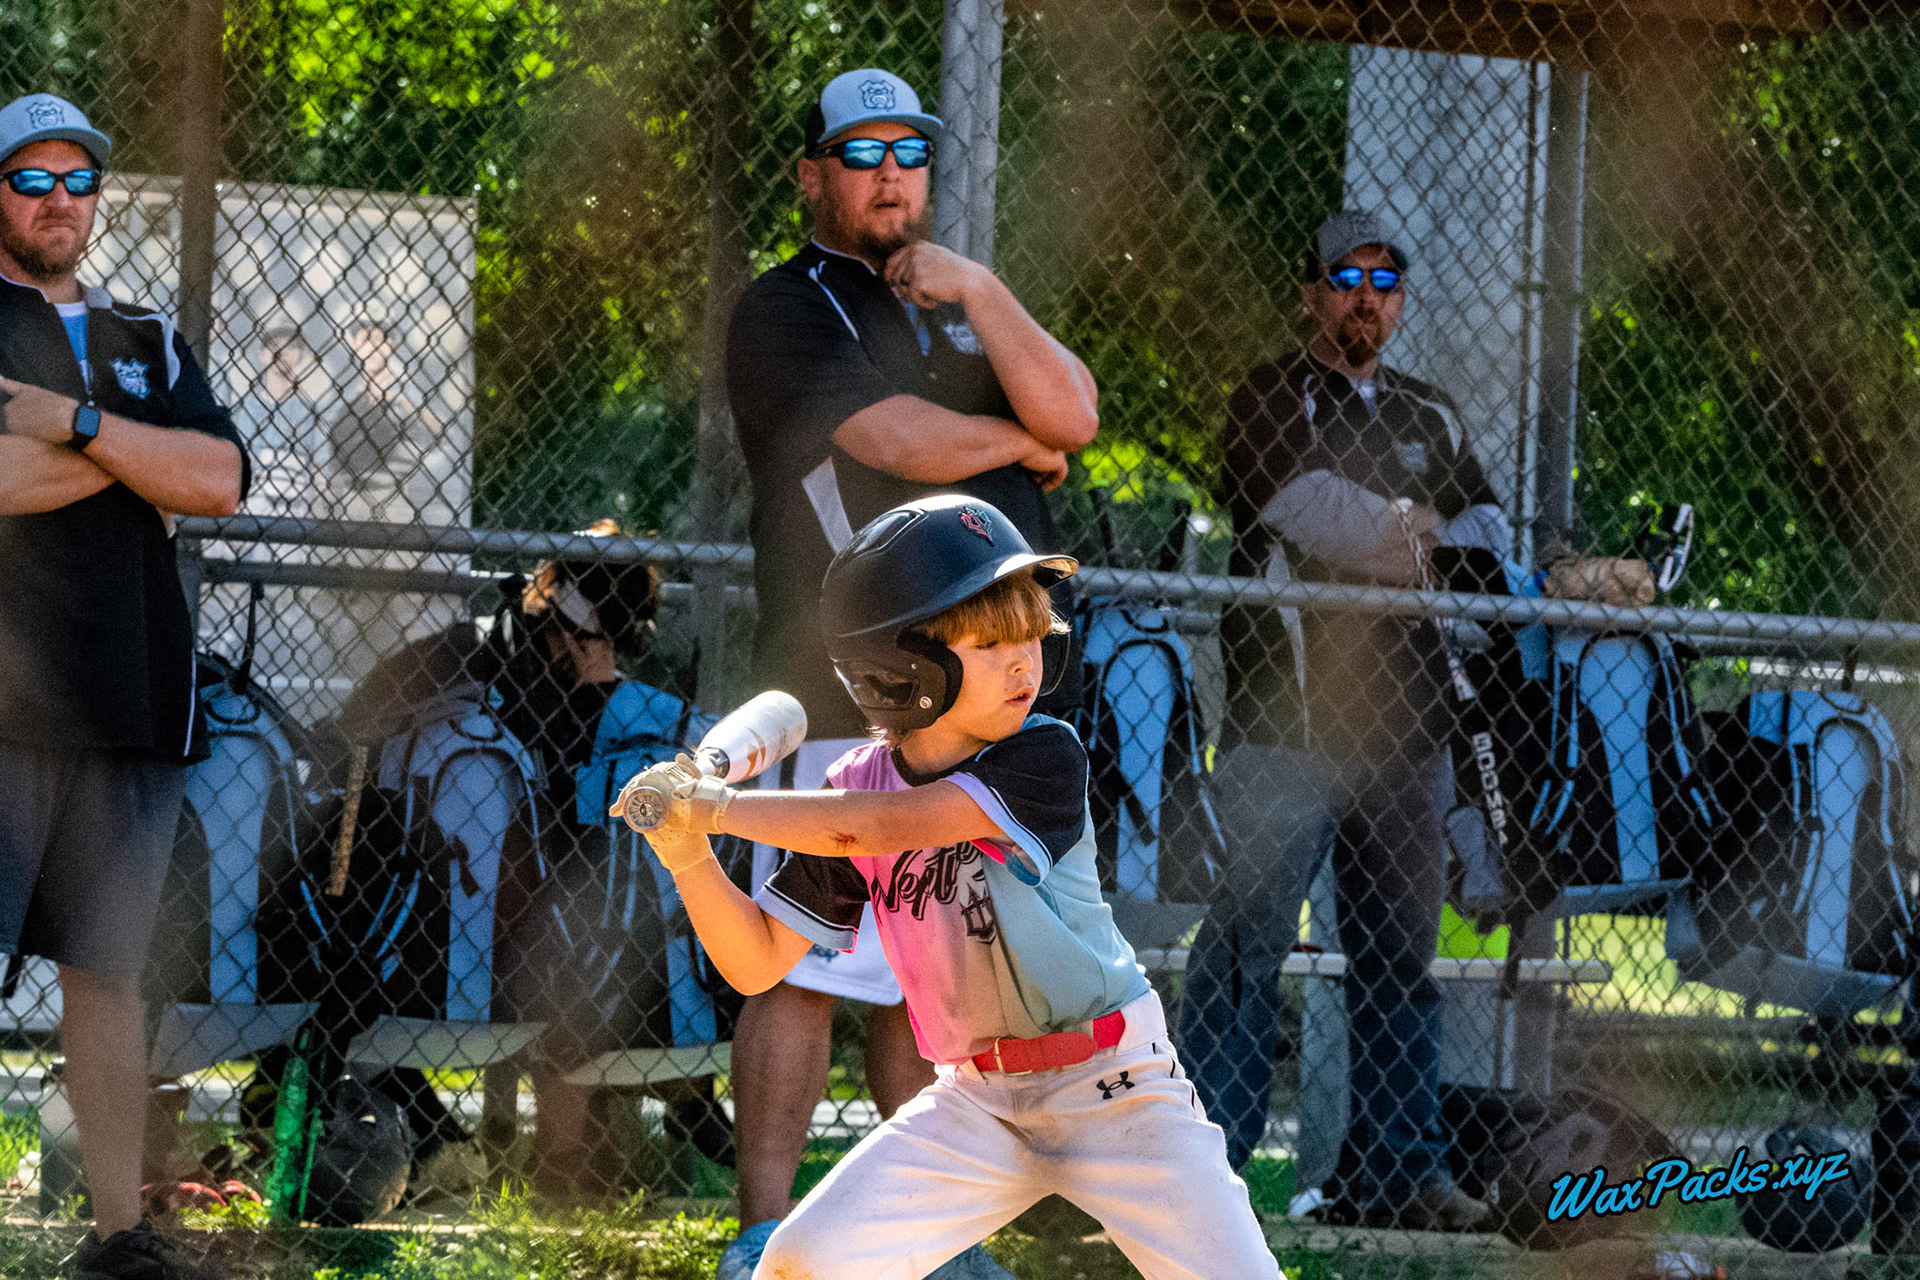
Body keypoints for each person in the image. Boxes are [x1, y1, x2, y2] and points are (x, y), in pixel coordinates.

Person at [616, 495, 1283, 1280]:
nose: (1025, 661)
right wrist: (687, 853)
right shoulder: (853, 786)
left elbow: (878, 826)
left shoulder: (1041, 756)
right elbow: (758, 963)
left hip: (1113, 1085)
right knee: (801, 1264)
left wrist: (719, 807)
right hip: (976, 1104)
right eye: (993, 641)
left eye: (1032, 633)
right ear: (905, 668)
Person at [721, 66, 1096, 1277]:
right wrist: (1020, 447)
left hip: (967, 707)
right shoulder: (784, 308)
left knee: (929, 972)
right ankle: (765, 1230)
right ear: (814, 173)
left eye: (909, 152)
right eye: (863, 151)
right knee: (799, 963)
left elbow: (1075, 411)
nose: (891, 173)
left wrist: (982, 288)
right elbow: (891, 440)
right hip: (840, 687)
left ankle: (925, 1241)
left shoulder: (955, 302)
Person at [1175, 209, 1512, 1230]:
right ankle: (1200, 1172)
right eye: (1347, 276)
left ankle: (1399, 1175)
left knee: (1401, 963)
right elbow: (1298, 507)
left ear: (1400, 300)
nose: (1368, 296)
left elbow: (1486, 539)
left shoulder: (1431, 412)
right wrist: (1412, 531)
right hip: (1288, 721)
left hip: (1409, 732)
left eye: (1387, 279)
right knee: (1243, 948)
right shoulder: (1270, 394)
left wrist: (1403, 541)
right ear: (1312, 291)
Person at [0, 93, 249, 1279]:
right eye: (29, 178)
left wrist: (74, 421)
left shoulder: (146, 333)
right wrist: (129, 456)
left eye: (77, 180)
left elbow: (217, 476)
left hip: (133, 699)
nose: (57, 200)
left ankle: (115, 1236)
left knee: (108, 972)